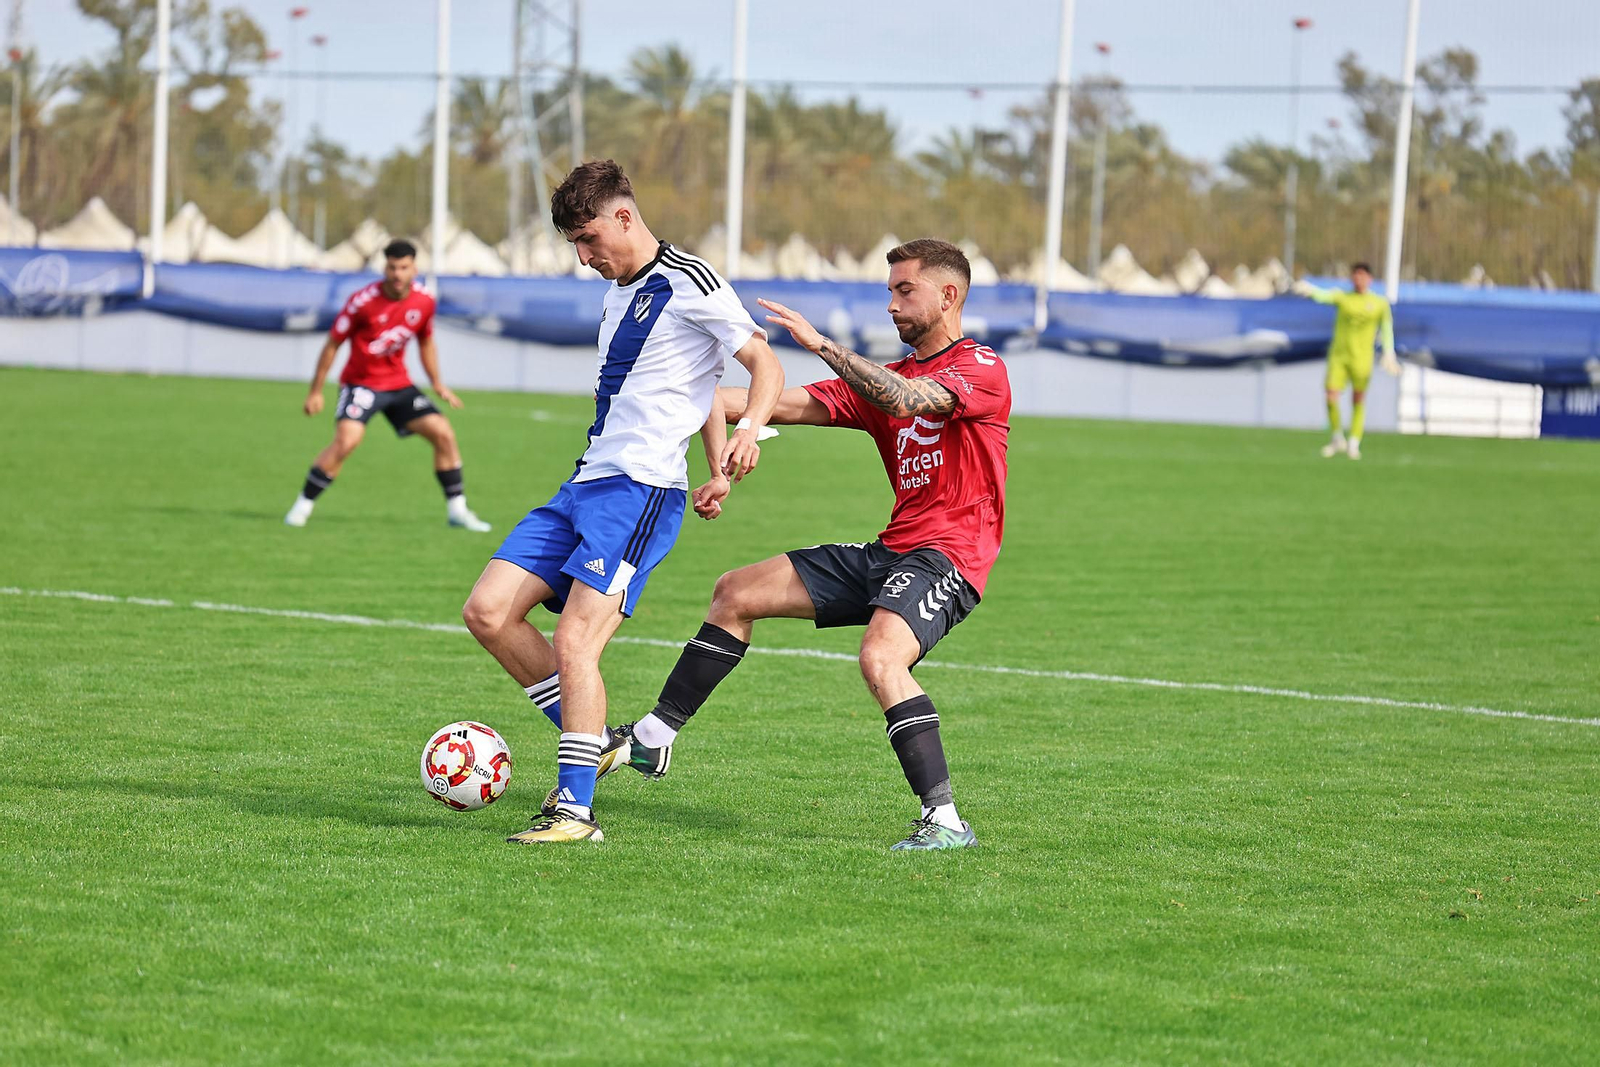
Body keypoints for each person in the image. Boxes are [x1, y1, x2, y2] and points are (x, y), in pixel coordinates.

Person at [615, 238, 1010, 851]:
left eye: (905, 291)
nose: (892, 306)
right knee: (735, 592)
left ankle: (946, 822)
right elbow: (748, 401)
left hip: (950, 558)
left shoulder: (980, 368)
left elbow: (907, 399)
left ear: (949, 295)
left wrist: (822, 345)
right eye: (889, 293)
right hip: (892, 552)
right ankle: (654, 735)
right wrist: (702, 426)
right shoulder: (889, 378)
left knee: (882, 657)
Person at [460, 160, 784, 845]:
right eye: (575, 244)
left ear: (624, 217)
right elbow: (695, 388)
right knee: (488, 611)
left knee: (577, 638)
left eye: (588, 239)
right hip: (583, 482)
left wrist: (749, 433)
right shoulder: (619, 290)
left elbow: (764, 363)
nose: (583, 257)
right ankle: (598, 741)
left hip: (638, 492)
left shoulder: (692, 280)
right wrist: (715, 463)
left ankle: (575, 812)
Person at [285, 239, 492, 530]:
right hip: (361, 385)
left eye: (404, 267)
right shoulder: (362, 302)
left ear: (414, 268)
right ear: (385, 267)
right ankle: (302, 507)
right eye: (392, 267)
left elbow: (426, 341)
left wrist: (437, 383)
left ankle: (457, 510)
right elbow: (332, 344)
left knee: (443, 433)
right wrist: (316, 391)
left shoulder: (424, 301)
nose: (397, 274)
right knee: (346, 441)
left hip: (398, 385)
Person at [1292, 263, 1400, 460]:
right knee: (1331, 395)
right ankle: (1336, 438)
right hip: (1339, 357)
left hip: (1362, 359)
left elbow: (1386, 328)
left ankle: (1354, 442)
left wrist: (1389, 352)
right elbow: (1325, 295)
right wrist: (1311, 290)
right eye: (1355, 275)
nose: (1358, 279)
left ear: (1369, 279)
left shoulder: (1379, 303)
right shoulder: (1343, 297)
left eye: (1362, 275)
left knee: (1358, 398)